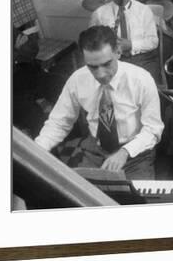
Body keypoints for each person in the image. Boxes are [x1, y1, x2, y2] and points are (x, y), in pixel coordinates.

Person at [35, 25, 164, 179]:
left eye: (106, 64)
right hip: (95, 149)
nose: (101, 74)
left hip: (135, 152)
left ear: (118, 51)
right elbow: (59, 122)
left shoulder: (141, 79)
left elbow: (153, 129)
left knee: (136, 199)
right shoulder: (77, 79)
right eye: (92, 67)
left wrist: (125, 152)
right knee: (74, 193)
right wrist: (37, 151)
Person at [90, 0, 161, 84]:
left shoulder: (144, 10)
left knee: (147, 90)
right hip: (114, 62)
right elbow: (91, 45)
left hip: (143, 60)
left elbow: (153, 42)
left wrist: (131, 45)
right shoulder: (99, 14)